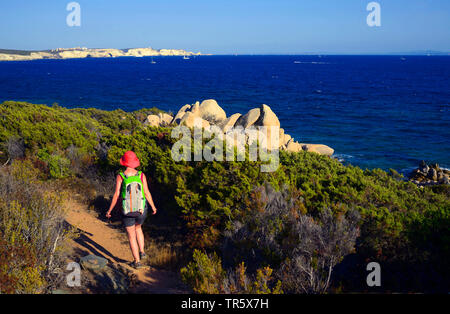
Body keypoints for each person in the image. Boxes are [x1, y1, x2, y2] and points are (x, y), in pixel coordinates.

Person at [106, 151, 157, 269]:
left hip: (127, 211)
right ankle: (142, 251)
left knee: (131, 236)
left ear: (124, 162)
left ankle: (137, 262)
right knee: (138, 227)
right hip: (141, 209)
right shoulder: (141, 175)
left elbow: (117, 195)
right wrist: (153, 206)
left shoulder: (121, 176)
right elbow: (146, 192)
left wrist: (110, 210)